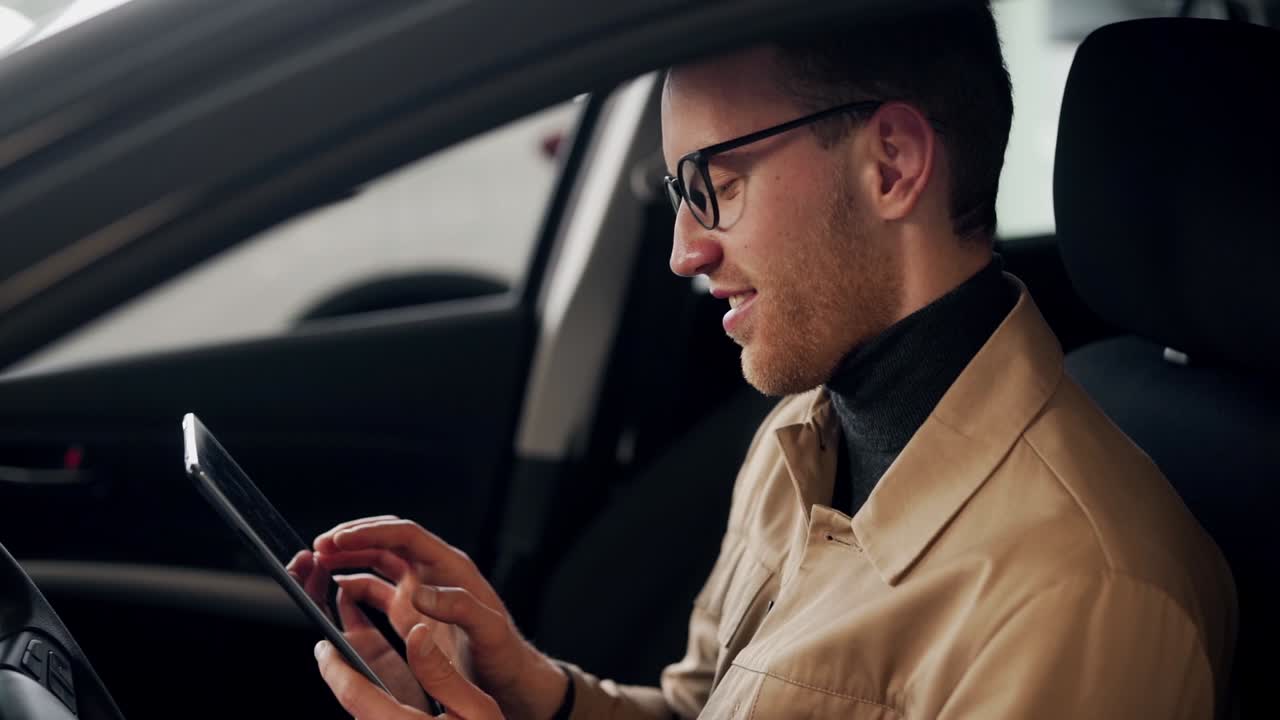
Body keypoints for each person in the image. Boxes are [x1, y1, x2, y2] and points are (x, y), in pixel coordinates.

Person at [307, 3, 1237, 717]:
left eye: (716, 182)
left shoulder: (1083, 598)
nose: (684, 250)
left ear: (893, 163)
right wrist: (539, 695)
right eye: (677, 190)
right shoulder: (806, 432)